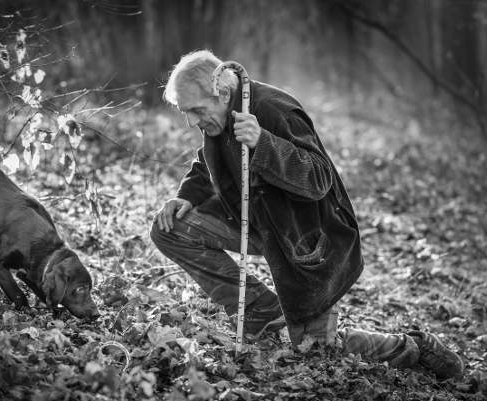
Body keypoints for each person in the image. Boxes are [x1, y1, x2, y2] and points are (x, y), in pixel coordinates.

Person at [150, 49, 464, 380]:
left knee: (316, 349)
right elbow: (209, 158)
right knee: (170, 229)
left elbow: (318, 178)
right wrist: (185, 196)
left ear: (223, 93)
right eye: (187, 113)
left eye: (196, 111)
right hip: (259, 225)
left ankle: (413, 346)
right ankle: (261, 311)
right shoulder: (217, 113)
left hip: (310, 242)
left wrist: (263, 143)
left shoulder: (274, 110)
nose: (193, 121)